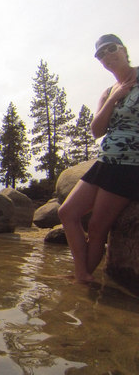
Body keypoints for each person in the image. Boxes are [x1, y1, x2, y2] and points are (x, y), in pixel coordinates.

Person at [58, 34, 139, 283]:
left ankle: (83, 276)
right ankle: (82, 274)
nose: (106, 56)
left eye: (110, 49)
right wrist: (113, 100)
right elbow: (97, 130)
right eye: (100, 54)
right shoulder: (108, 92)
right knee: (67, 212)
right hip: (105, 161)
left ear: (124, 50)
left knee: (96, 226)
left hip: (129, 165)